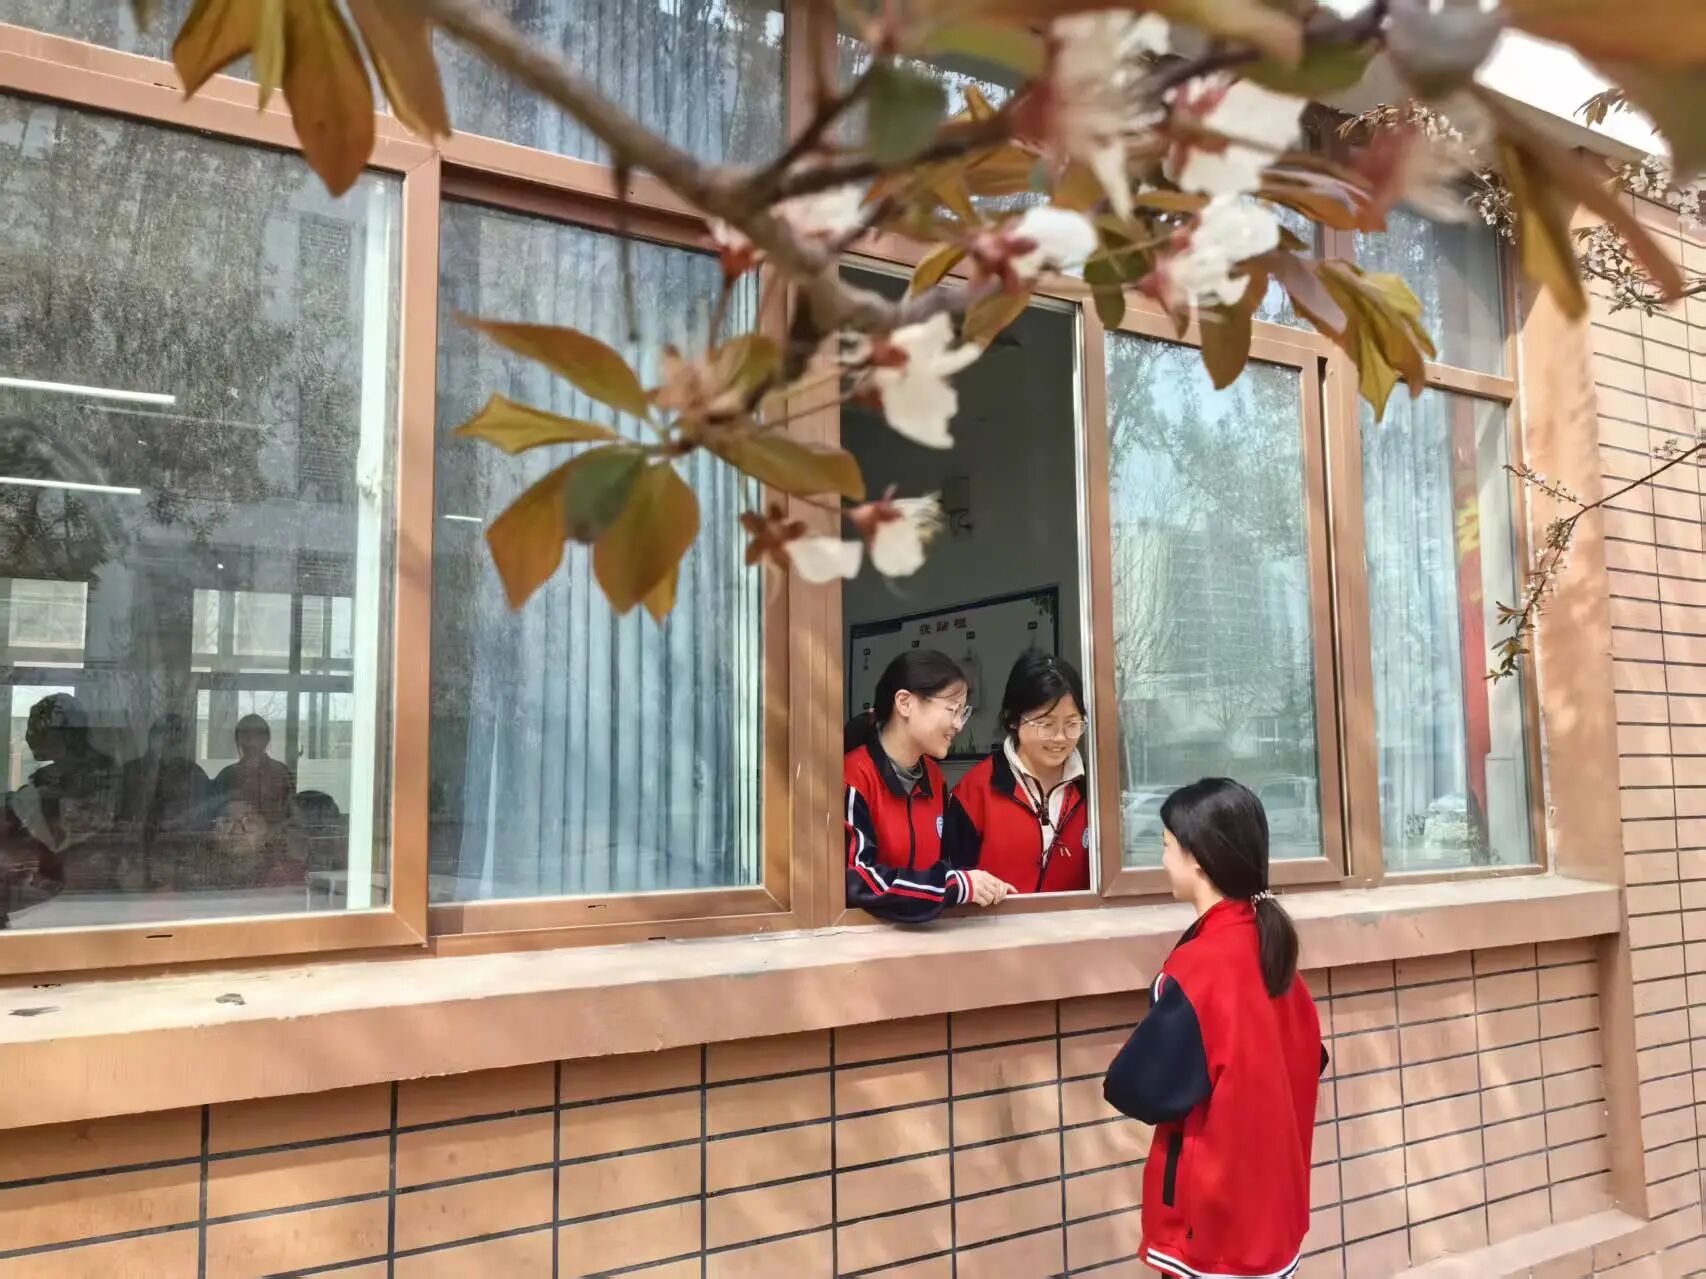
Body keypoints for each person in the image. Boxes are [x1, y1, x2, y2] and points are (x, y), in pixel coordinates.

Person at [1101, 778, 1325, 1279]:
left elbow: (1137, 1088)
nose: (1162, 860)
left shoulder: (1201, 967)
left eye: (1166, 846)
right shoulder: (1273, 952)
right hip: (1274, 1216)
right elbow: (1309, 1059)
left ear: (1198, 859)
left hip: (1213, 1225)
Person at [843, 650, 1013, 923]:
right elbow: (858, 880)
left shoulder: (934, 777)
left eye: (963, 713)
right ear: (905, 703)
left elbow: (945, 863)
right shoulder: (854, 776)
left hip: (927, 934)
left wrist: (974, 885)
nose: (958, 725)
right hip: (867, 938)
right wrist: (953, 885)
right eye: (952, 710)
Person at [943, 651, 1090, 895]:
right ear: (1013, 719)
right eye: (1046, 724)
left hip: (1075, 919)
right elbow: (954, 883)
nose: (1060, 737)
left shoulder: (1092, 787)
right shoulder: (974, 792)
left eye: (1072, 724)